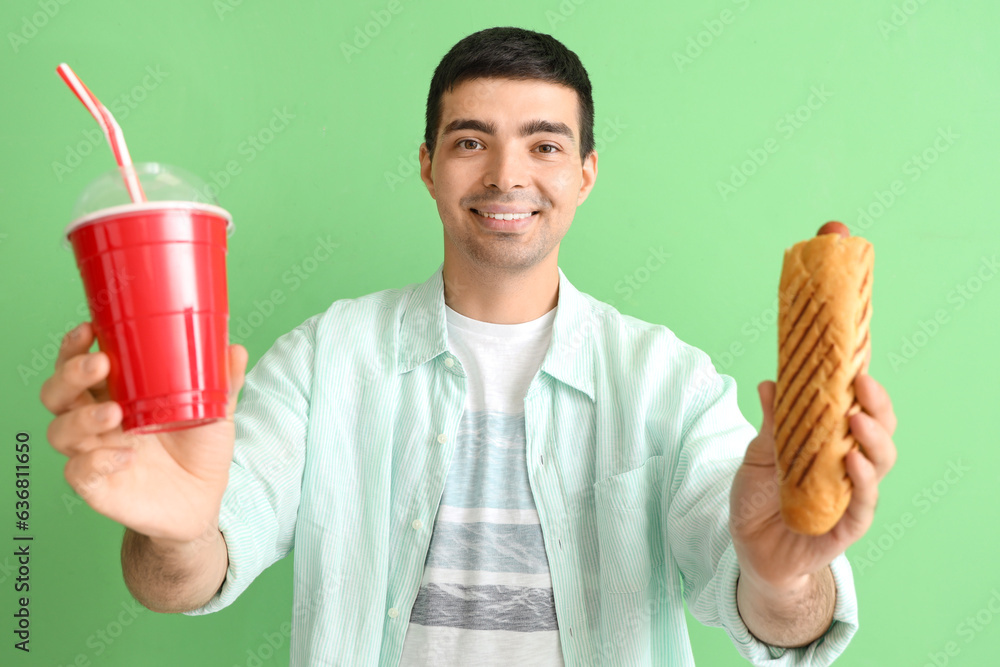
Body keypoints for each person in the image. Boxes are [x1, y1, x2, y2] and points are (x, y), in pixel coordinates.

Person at [41, 26, 897, 667]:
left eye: (545, 144)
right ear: (427, 165)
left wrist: (784, 575)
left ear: (586, 174)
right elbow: (183, 576)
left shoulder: (668, 381)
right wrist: (178, 536)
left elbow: (780, 612)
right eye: (470, 141)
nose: (505, 176)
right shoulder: (322, 359)